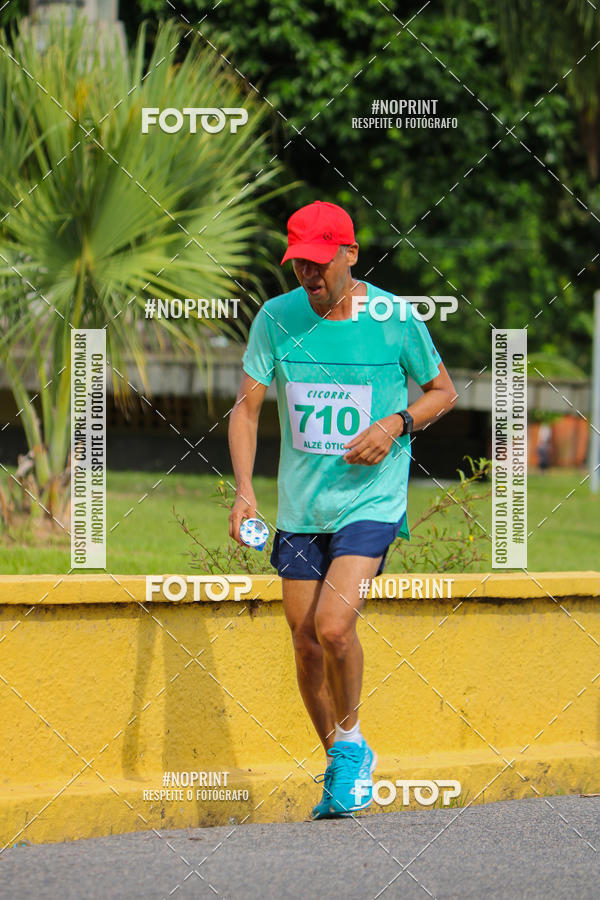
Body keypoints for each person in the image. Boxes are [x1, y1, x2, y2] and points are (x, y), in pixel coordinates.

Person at [228, 200, 456, 819]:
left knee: (333, 626)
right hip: (302, 506)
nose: (309, 275)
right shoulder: (276, 318)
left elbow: (443, 392)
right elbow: (246, 410)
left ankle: (351, 738)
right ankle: (341, 759)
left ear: (350, 254)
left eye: (320, 261)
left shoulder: (393, 317)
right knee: (304, 642)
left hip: (371, 498)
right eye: (298, 263)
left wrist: (396, 423)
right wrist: (245, 488)